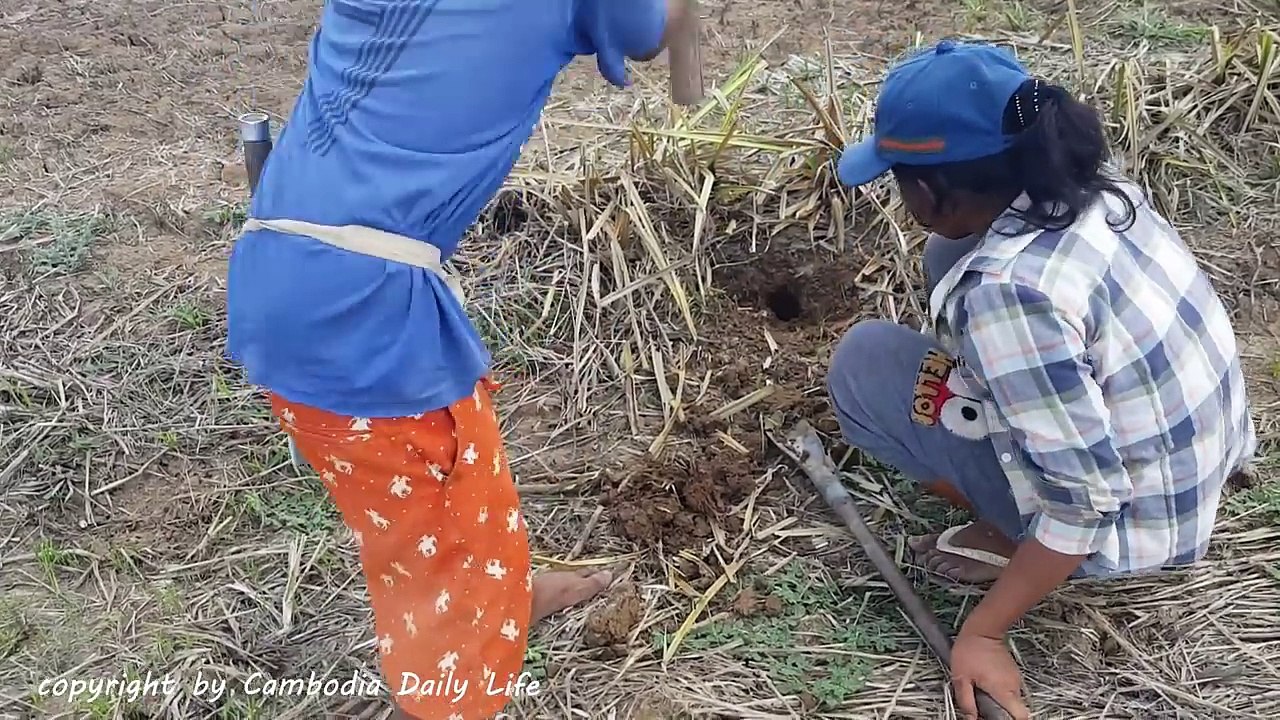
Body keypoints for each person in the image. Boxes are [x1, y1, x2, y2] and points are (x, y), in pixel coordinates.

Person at [224, 2, 693, 718]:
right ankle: (454, 687)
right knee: (434, 538)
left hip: (285, 276)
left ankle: (505, 594)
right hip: (359, 310)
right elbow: (651, 30)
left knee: (458, 482)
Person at [826, 40, 1255, 720]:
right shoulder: (1086, 179)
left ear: (929, 190)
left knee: (865, 364)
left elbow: (1085, 501)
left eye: (898, 176)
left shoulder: (1009, 296)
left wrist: (985, 633)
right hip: (1198, 462)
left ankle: (1009, 534)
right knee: (950, 254)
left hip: (1126, 531)